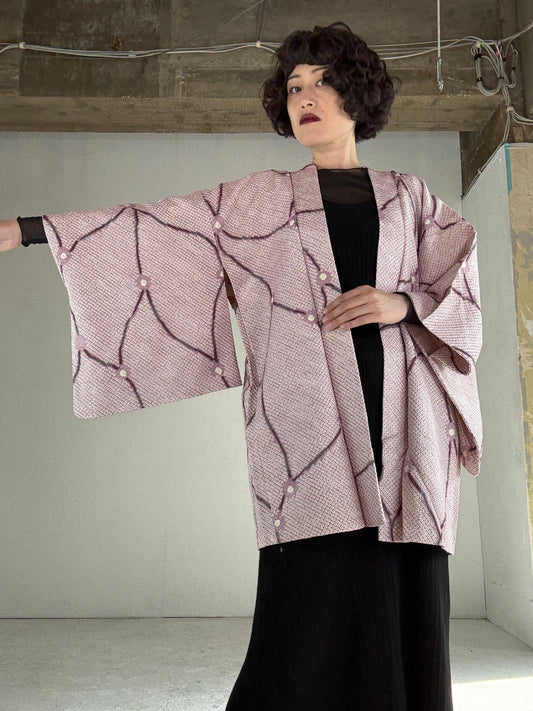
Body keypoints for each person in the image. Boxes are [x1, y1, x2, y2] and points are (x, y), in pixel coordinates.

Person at [0, 21, 478, 711]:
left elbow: (460, 283)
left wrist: (401, 303)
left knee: (406, 603)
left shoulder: (409, 197)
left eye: (322, 82)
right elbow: (155, 226)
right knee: (301, 616)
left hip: (407, 427)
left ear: (357, 95)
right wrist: (27, 230)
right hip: (307, 427)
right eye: (294, 86)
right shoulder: (258, 199)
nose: (304, 96)